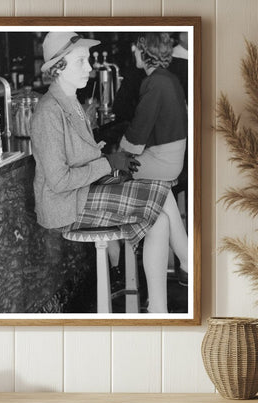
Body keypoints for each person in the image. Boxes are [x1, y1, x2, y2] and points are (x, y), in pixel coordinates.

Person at [30, 31, 179, 313]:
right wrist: (109, 163)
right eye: (81, 62)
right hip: (67, 205)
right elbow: (59, 181)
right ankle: (176, 281)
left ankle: (157, 308)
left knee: (159, 211)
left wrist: (109, 153)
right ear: (58, 67)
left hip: (83, 193)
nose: (89, 68)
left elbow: (80, 155)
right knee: (160, 197)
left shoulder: (71, 102)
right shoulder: (48, 113)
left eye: (87, 60)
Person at [115, 32, 189, 289]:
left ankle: (117, 268)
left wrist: (117, 151)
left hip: (161, 159)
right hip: (172, 156)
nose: (134, 52)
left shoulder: (154, 83)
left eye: (136, 49)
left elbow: (139, 130)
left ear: (144, 52)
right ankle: (188, 261)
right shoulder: (168, 79)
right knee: (163, 195)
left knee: (113, 175)